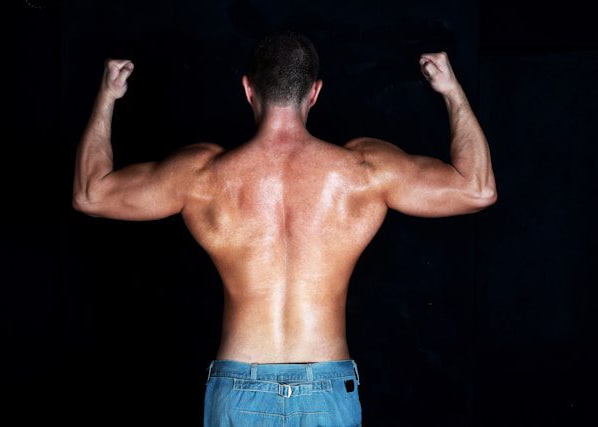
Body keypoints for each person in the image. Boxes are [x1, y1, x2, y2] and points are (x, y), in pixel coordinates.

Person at [72, 30, 496, 426]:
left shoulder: (202, 176)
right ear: (314, 92)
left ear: (248, 89)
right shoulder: (363, 172)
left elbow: (92, 195)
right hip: (327, 389)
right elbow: (476, 189)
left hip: (237, 388)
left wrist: (107, 96)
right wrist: (451, 90)